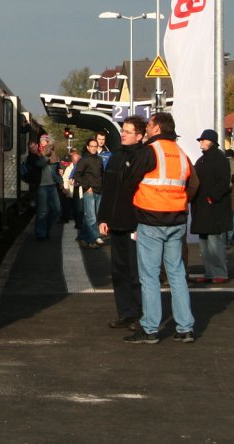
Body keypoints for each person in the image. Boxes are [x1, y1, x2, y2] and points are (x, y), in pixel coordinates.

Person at [125, 112, 197, 344]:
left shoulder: (150, 151)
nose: (146, 127)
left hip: (151, 220)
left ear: (156, 128)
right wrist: (181, 202)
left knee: (150, 277)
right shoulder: (180, 153)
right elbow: (194, 183)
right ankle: (185, 328)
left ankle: (151, 329)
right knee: (176, 274)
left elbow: (130, 179)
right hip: (177, 220)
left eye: (149, 124)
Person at [97, 115, 149, 331]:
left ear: (139, 136)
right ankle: (125, 313)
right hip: (115, 223)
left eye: (127, 131)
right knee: (118, 271)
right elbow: (108, 190)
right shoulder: (116, 156)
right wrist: (103, 217)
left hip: (134, 224)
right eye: (123, 130)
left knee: (136, 272)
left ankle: (142, 314)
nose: (123, 134)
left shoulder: (144, 156)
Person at [190, 129, 232, 283]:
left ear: (212, 141)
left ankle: (219, 273)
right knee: (204, 243)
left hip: (213, 207)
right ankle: (209, 272)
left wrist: (212, 197)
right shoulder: (203, 159)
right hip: (202, 207)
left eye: (203, 140)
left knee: (214, 242)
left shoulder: (219, 158)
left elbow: (223, 181)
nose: (200, 142)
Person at [26, 138, 61, 241]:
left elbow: (53, 168)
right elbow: (40, 164)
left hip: (52, 185)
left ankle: (46, 229)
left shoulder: (42, 155)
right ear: (29, 149)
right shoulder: (31, 158)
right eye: (30, 148)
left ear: (37, 145)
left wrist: (59, 182)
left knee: (57, 210)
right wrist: (46, 155)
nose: (33, 149)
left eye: (34, 146)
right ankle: (41, 234)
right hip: (41, 187)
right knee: (42, 212)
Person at [73, 137, 104, 248]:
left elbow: (102, 174)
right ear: (87, 147)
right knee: (92, 217)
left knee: (94, 216)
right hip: (89, 191)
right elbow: (77, 175)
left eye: (95, 146)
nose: (94, 148)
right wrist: (87, 187)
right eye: (92, 146)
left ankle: (82, 236)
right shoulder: (84, 160)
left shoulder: (99, 159)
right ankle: (92, 240)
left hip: (99, 190)